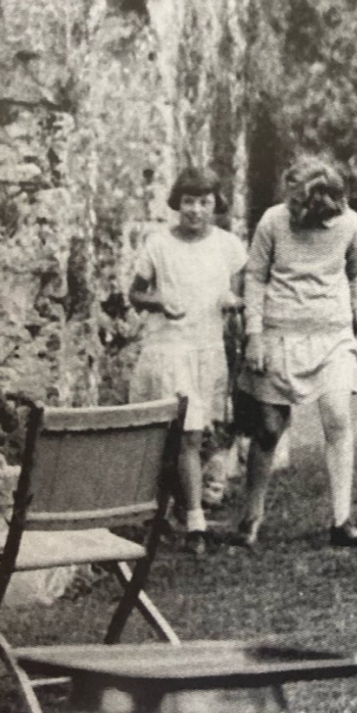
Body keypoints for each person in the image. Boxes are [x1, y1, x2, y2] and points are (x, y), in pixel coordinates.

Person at [238, 155, 357, 548]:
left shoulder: (350, 224)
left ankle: (342, 520)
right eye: (292, 199)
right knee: (268, 430)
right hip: (279, 334)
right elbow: (255, 277)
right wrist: (254, 335)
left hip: (333, 336)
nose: (294, 208)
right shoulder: (272, 221)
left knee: (337, 417)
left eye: (302, 203)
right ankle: (251, 516)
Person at [129, 166, 248, 555]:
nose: (196, 210)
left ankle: (173, 512)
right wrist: (159, 300)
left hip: (207, 348)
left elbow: (232, 292)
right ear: (177, 204)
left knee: (193, 436)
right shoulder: (158, 244)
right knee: (188, 433)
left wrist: (232, 303)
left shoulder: (228, 246)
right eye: (188, 202)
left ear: (216, 205)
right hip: (169, 350)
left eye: (204, 202)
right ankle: (195, 520)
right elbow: (136, 295)